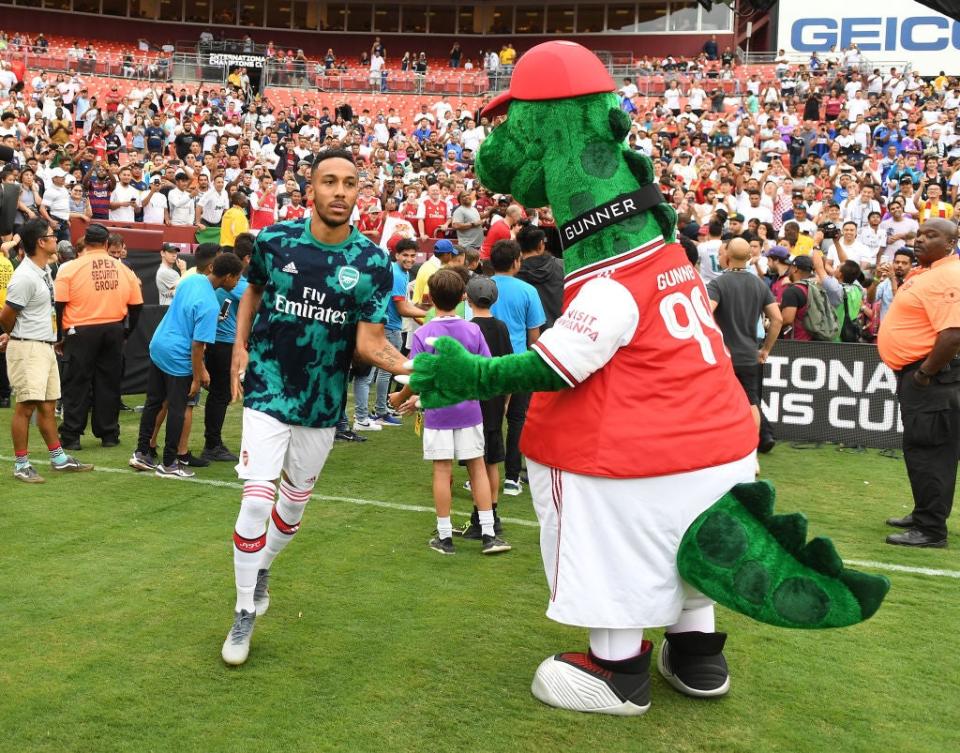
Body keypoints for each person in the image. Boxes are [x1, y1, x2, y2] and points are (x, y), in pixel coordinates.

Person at [221, 149, 409, 666]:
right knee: (257, 501)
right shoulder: (275, 240)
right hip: (267, 386)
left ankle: (262, 569)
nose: (340, 191)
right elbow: (252, 292)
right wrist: (240, 346)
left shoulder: (373, 263)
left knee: (293, 505)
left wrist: (416, 370)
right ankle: (242, 614)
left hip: (323, 402)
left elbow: (370, 343)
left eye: (350, 183)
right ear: (312, 190)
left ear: (358, 192)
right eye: (330, 181)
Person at [390, 267, 511, 556]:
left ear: (430, 297)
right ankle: (488, 534)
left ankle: (444, 537)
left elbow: (417, 374)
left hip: (438, 413)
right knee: (477, 467)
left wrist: (403, 397)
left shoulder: (424, 332)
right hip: (469, 411)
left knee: (442, 471)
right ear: (462, 296)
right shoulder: (472, 330)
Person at [878, 218, 960, 548]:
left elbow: (953, 334)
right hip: (923, 377)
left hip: (932, 379)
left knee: (930, 452)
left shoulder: (948, 275)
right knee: (922, 450)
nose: (921, 240)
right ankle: (925, 512)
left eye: (931, 236)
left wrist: (924, 374)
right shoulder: (926, 272)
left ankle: (930, 529)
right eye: (920, 234)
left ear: (951, 243)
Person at [130, 252, 243, 478]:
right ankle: (170, 463)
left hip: (159, 345)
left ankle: (142, 452)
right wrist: (198, 376)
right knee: (178, 408)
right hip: (178, 355)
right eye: (237, 277)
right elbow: (197, 346)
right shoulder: (210, 305)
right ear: (228, 276)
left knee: (153, 402)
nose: (238, 282)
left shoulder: (191, 279)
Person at [0, 219, 91, 482]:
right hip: (28, 348)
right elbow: (7, 316)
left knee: (49, 405)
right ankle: (21, 465)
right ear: (41, 242)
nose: (56, 239)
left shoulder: (43, 270)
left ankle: (59, 459)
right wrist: (16, 334)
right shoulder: (25, 277)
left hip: (44, 346)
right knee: (25, 407)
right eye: (52, 235)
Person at [54, 223, 143, 449]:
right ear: (106, 244)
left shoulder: (69, 268)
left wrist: (61, 336)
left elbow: (60, 305)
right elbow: (137, 306)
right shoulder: (123, 269)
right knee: (109, 383)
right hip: (113, 328)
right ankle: (109, 434)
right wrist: (125, 332)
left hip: (80, 330)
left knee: (77, 383)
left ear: (85, 240)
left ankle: (72, 436)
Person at [706, 238, 782, 446]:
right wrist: (766, 349)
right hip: (749, 355)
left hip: (723, 357)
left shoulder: (718, 283)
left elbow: (705, 313)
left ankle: (719, 447)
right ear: (749, 257)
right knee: (751, 402)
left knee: (717, 403)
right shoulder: (759, 283)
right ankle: (751, 454)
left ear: (727, 257)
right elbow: (777, 319)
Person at [455, 275, 513, 540]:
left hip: (473, 404)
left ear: (466, 297)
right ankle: (491, 516)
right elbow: (507, 369)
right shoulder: (500, 328)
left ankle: (482, 518)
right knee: (491, 462)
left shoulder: (467, 328)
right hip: (494, 400)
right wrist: (506, 401)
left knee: (477, 462)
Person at [490, 239, 545, 496]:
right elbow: (534, 335)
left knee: (488, 419)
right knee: (516, 420)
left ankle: (482, 471)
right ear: (515, 262)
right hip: (518, 363)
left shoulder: (481, 286)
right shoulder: (527, 291)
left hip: (486, 361)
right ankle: (512, 477)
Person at [202, 234, 252, 463]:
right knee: (220, 395)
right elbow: (260, 305)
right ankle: (212, 444)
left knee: (219, 394)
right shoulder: (240, 284)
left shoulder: (225, 281)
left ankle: (213, 442)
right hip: (225, 343)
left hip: (218, 341)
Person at [369, 236, 427, 425]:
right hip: (390, 326)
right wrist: (430, 315)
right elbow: (402, 308)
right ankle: (380, 411)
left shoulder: (401, 273)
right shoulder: (397, 274)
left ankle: (379, 410)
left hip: (390, 325)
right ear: (396, 255)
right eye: (405, 255)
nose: (410, 259)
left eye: (412, 255)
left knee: (380, 372)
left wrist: (423, 314)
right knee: (385, 372)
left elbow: (404, 305)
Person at [516, 224, 564, 331]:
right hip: (563, 330)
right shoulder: (562, 266)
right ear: (541, 244)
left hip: (533, 338)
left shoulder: (514, 276)